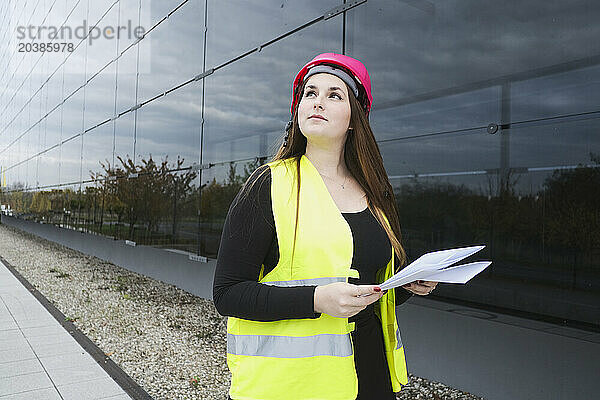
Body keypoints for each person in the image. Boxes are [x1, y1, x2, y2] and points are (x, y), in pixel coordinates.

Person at [213, 53, 438, 400]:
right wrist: (317, 299)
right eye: (310, 93)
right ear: (298, 109)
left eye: (334, 95)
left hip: (370, 373)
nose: (318, 101)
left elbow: (370, 289)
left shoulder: (374, 192)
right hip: (292, 386)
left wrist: (408, 283)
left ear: (354, 120)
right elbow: (228, 294)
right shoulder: (267, 186)